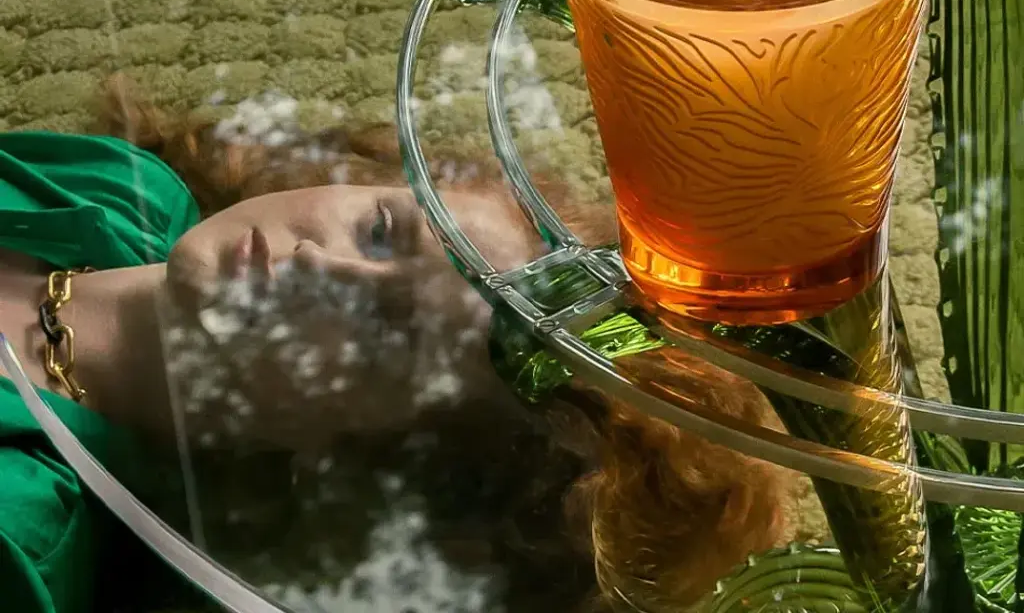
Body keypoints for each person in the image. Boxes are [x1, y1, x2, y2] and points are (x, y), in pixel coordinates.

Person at [0, 76, 791, 613]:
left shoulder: (21, 527)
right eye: (382, 232)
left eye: (385, 334)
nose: (319, 266)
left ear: (345, 463)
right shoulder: (123, 189)